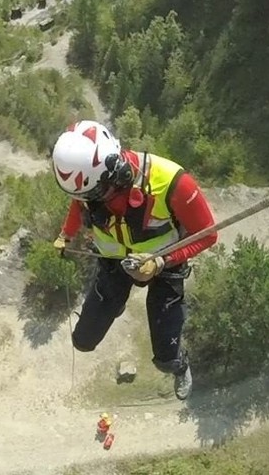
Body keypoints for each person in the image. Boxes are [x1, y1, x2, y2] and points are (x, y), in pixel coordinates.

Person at [50, 120, 218, 400]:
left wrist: (162, 262)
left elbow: (208, 235)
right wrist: (66, 235)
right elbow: (79, 202)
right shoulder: (91, 182)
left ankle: (180, 365)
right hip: (115, 260)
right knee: (83, 341)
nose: (89, 200)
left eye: (93, 194)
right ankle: (115, 303)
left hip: (166, 262)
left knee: (165, 358)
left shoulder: (172, 183)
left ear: (116, 173)